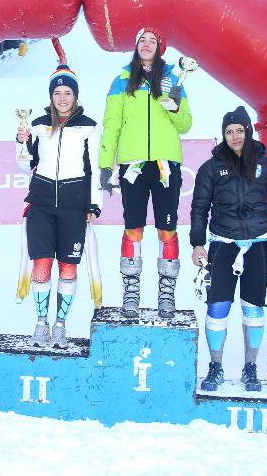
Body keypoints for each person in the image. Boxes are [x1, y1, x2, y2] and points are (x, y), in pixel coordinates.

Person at [189, 106, 267, 392]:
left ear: (248, 131)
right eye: (229, 132)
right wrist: (197, 243)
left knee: (253, 309)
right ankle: (215, 367)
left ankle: (250, 367)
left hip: (258, 245)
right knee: (217, 308)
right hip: (223, 245)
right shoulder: (211, 167)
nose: (235, 136)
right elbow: (199, 208)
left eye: (239, 130)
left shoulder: (266, 163)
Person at [98, 27, 192, 319]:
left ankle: (167, 292)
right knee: (133, 228)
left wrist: (175, 108)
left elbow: (185, 125)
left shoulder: (174, 79)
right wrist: (105, 163)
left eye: (152, 40)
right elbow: (111, 124)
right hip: (134, 165)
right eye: (142, 40)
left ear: (160, 47)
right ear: (136, 46)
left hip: (165, 164)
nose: (147, 44)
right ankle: (131, 291)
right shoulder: (121, 80)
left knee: (167, 229)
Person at [16, 64, 101, 348]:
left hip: (73, 207)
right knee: (41, 264)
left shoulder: (89, 126)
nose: (62, 98)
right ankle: (41, 323)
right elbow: (25, 165)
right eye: (57, 93)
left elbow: (96, 169)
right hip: (40, 204)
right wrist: (21, 143)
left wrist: (94, 203)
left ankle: (61, 324)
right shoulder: (38, 124)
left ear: (75, 95)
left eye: (67, 92)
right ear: (51, 96)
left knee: (68, 267)